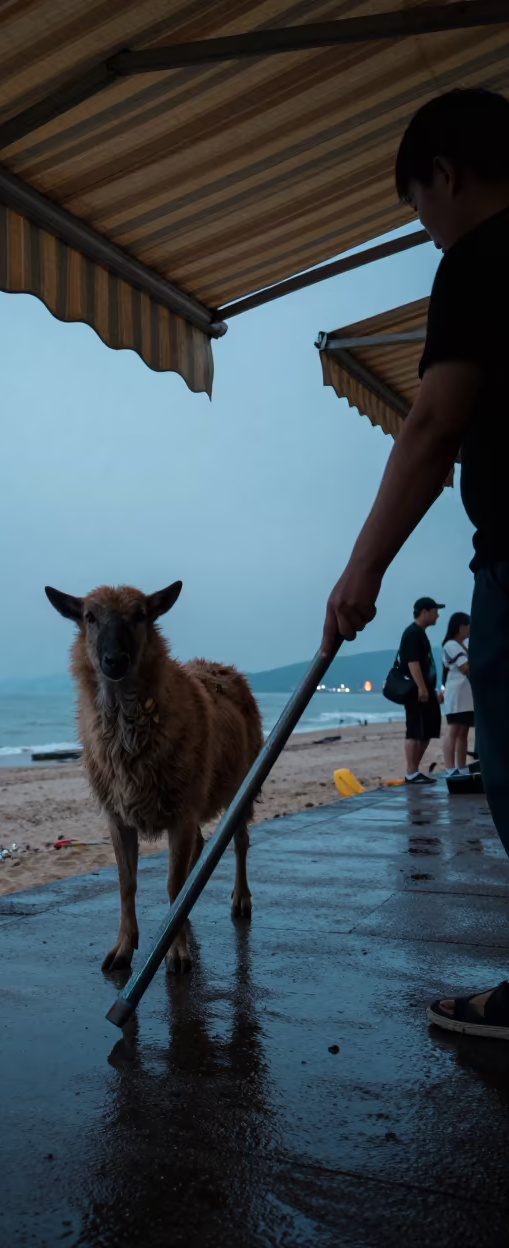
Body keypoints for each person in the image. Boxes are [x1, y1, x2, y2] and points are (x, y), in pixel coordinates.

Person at [322, 88, 509, 1039]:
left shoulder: (482, 258)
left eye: (420, 209)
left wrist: (361, 575)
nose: (428, 232)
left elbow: (432, 426)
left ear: (446, 173)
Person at [398, 597, 443, 784]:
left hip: (426, 688)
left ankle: (414, 770)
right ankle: (411, 772)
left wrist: (431, 690)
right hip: (415, 690)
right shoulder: (412, 634)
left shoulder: (420, 633)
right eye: (434, 611)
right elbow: (412, 663)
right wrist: (423, 688)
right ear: (424, 612)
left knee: (429, 726)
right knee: (415, 729)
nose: (437, 615)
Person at [440, 611, 473, 776]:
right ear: (461, 627)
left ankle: (461, 766)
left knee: (463, 731)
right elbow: (465, 667)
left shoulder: (463, 646)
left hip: (466, 695)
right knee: (454, 729)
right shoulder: (451, 645)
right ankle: (450, 767)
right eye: (469, 626)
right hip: (456, 694)